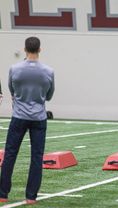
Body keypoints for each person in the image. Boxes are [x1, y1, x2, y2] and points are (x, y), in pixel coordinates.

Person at [0, 37, 55, 204]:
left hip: (18, 117)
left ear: (25, 49)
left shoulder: (14, 69)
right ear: (40, 49)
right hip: (38, 118)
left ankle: (2, 193)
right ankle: (31, 197)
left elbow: (12, 90)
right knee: (36, 157)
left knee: (10, 154)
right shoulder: (48, 71)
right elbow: (49, 96)